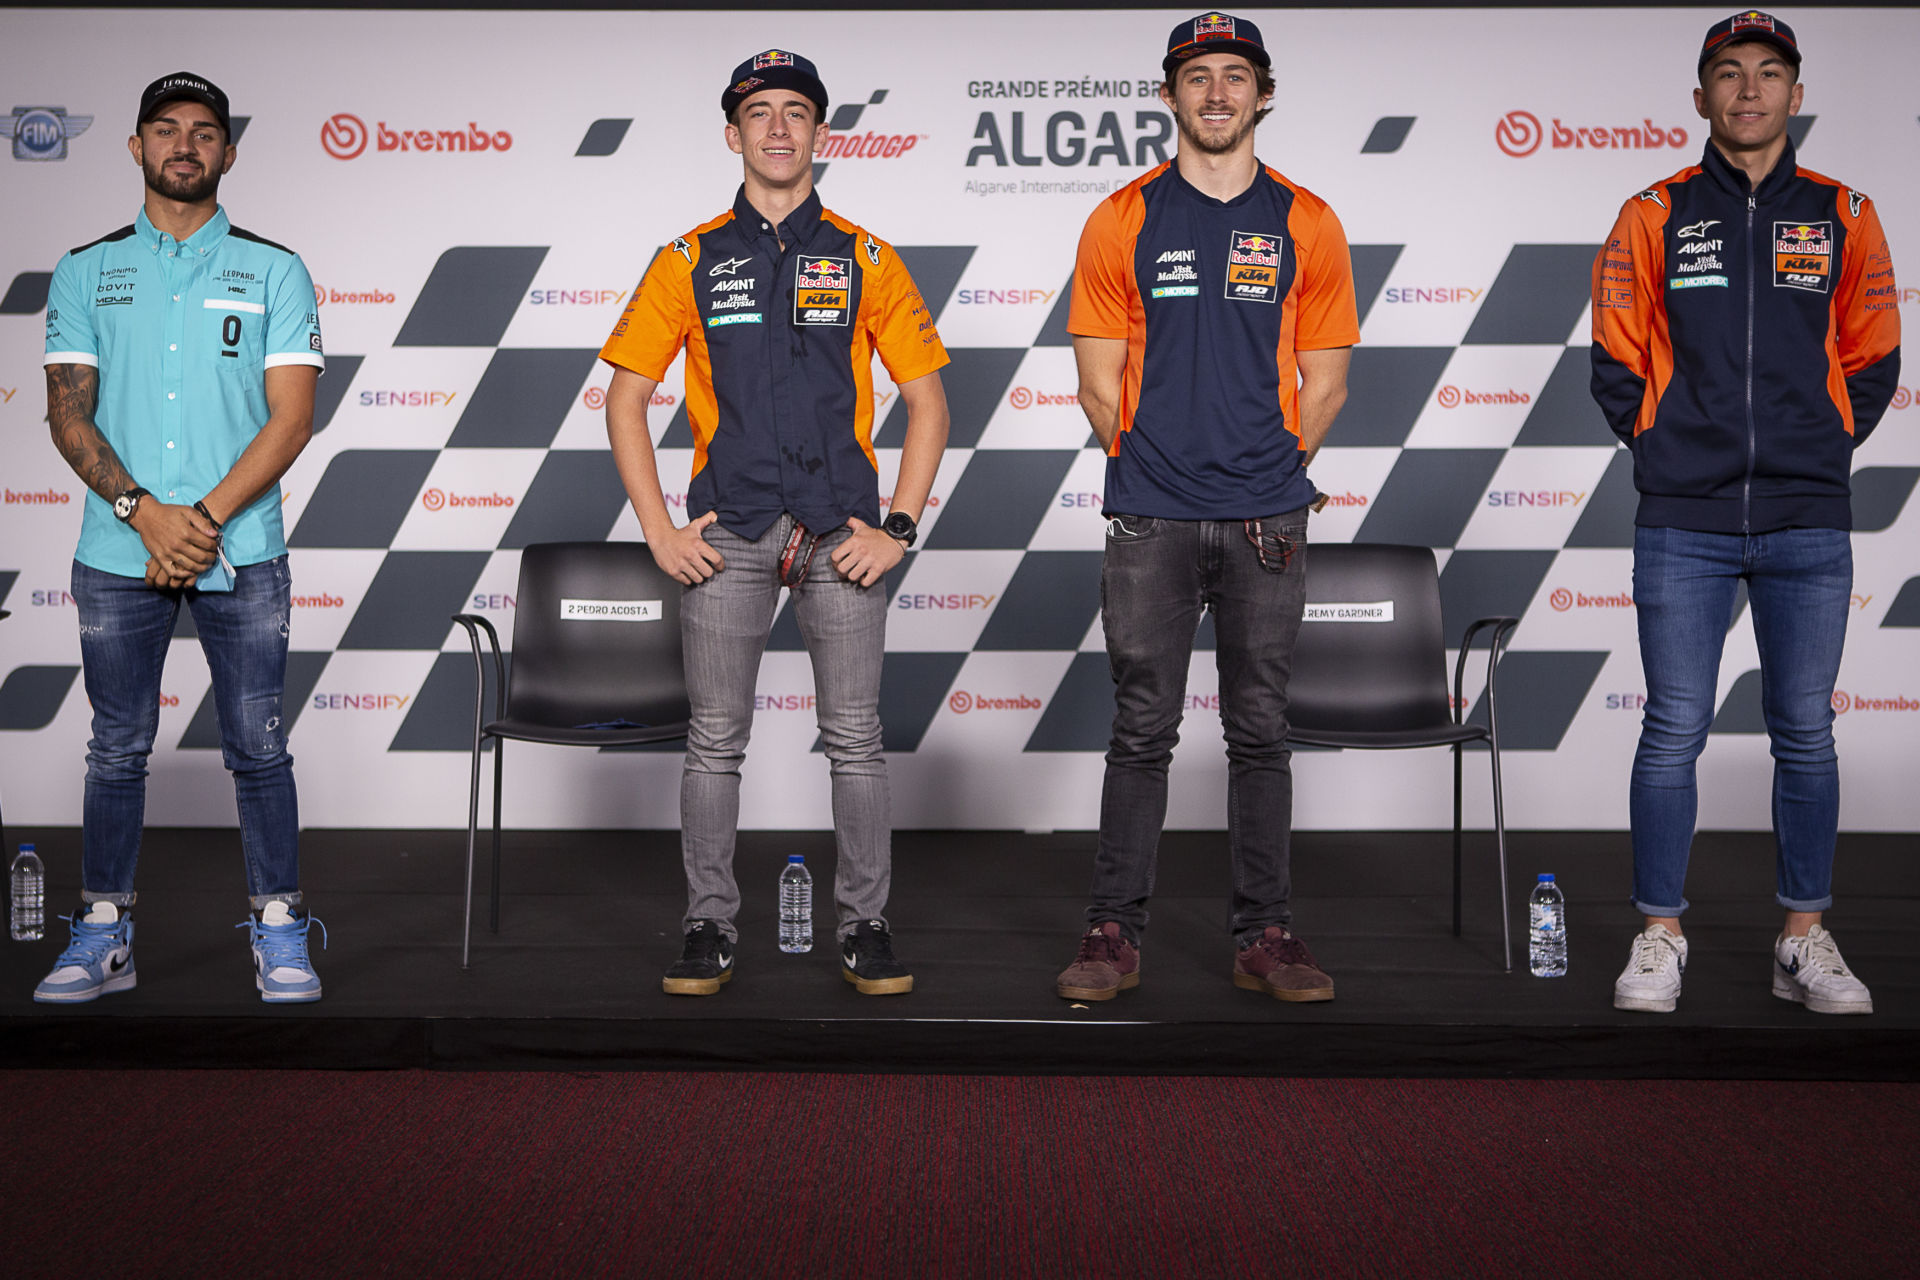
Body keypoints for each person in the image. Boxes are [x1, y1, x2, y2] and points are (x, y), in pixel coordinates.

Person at [601, 50, 950, 997]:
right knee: (715, 740)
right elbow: (624, 399)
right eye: (762, 112)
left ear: (821, 134)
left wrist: (900, 528)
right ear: (734, 133)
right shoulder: (687, 258)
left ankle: (865, 926)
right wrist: (660, 529)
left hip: (843, 534)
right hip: (734, 533)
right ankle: (708, 927)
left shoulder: (866, 255)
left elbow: (929, 403)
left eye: (799, 111)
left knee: (856, 739)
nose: (781, 127)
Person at [1591, 11, 1899, 1015]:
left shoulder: (1846, 210)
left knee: (1805, 730)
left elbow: (1875, 352)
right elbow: (1615, 357)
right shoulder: (1652, 212)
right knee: (1672, 727)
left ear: (1795, 94)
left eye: (1770, 73)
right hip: (1683, 516)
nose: (1751, 89)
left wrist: (1813, 451)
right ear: (1701, 98)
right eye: (1730, 73)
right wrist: (1676, 451)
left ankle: (1802, 940)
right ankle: (1658, 934)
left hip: (1809, 519)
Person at [1055, 13, 1358, 1004]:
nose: (1216, 93)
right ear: (1168, 97)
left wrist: (1266, 466)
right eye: (1197, 77)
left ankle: (1266, 934)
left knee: (1260, 729)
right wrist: (1158, 463)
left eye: (1235, 76)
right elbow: (1099, 382)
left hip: (1269, 515)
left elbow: (1327, 383)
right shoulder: (1122, 217)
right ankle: (1111, 933)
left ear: (1263, 93)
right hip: (1150, 515)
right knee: (1142, 727)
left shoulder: (1308, 220)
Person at [37, 73, 327, 1003]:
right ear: (135, 148)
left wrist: (194, 522)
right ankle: (104, 931)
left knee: (258, 744)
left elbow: (290, 421)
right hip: (120, 551)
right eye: (165, 129)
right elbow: (67, 416)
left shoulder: (275, 268)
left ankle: (279, 929)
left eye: (204, 132)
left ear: (228, 154)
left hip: (241, 550)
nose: (185, 145)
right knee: (117, 745)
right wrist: (144, 515)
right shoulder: (85, 270)